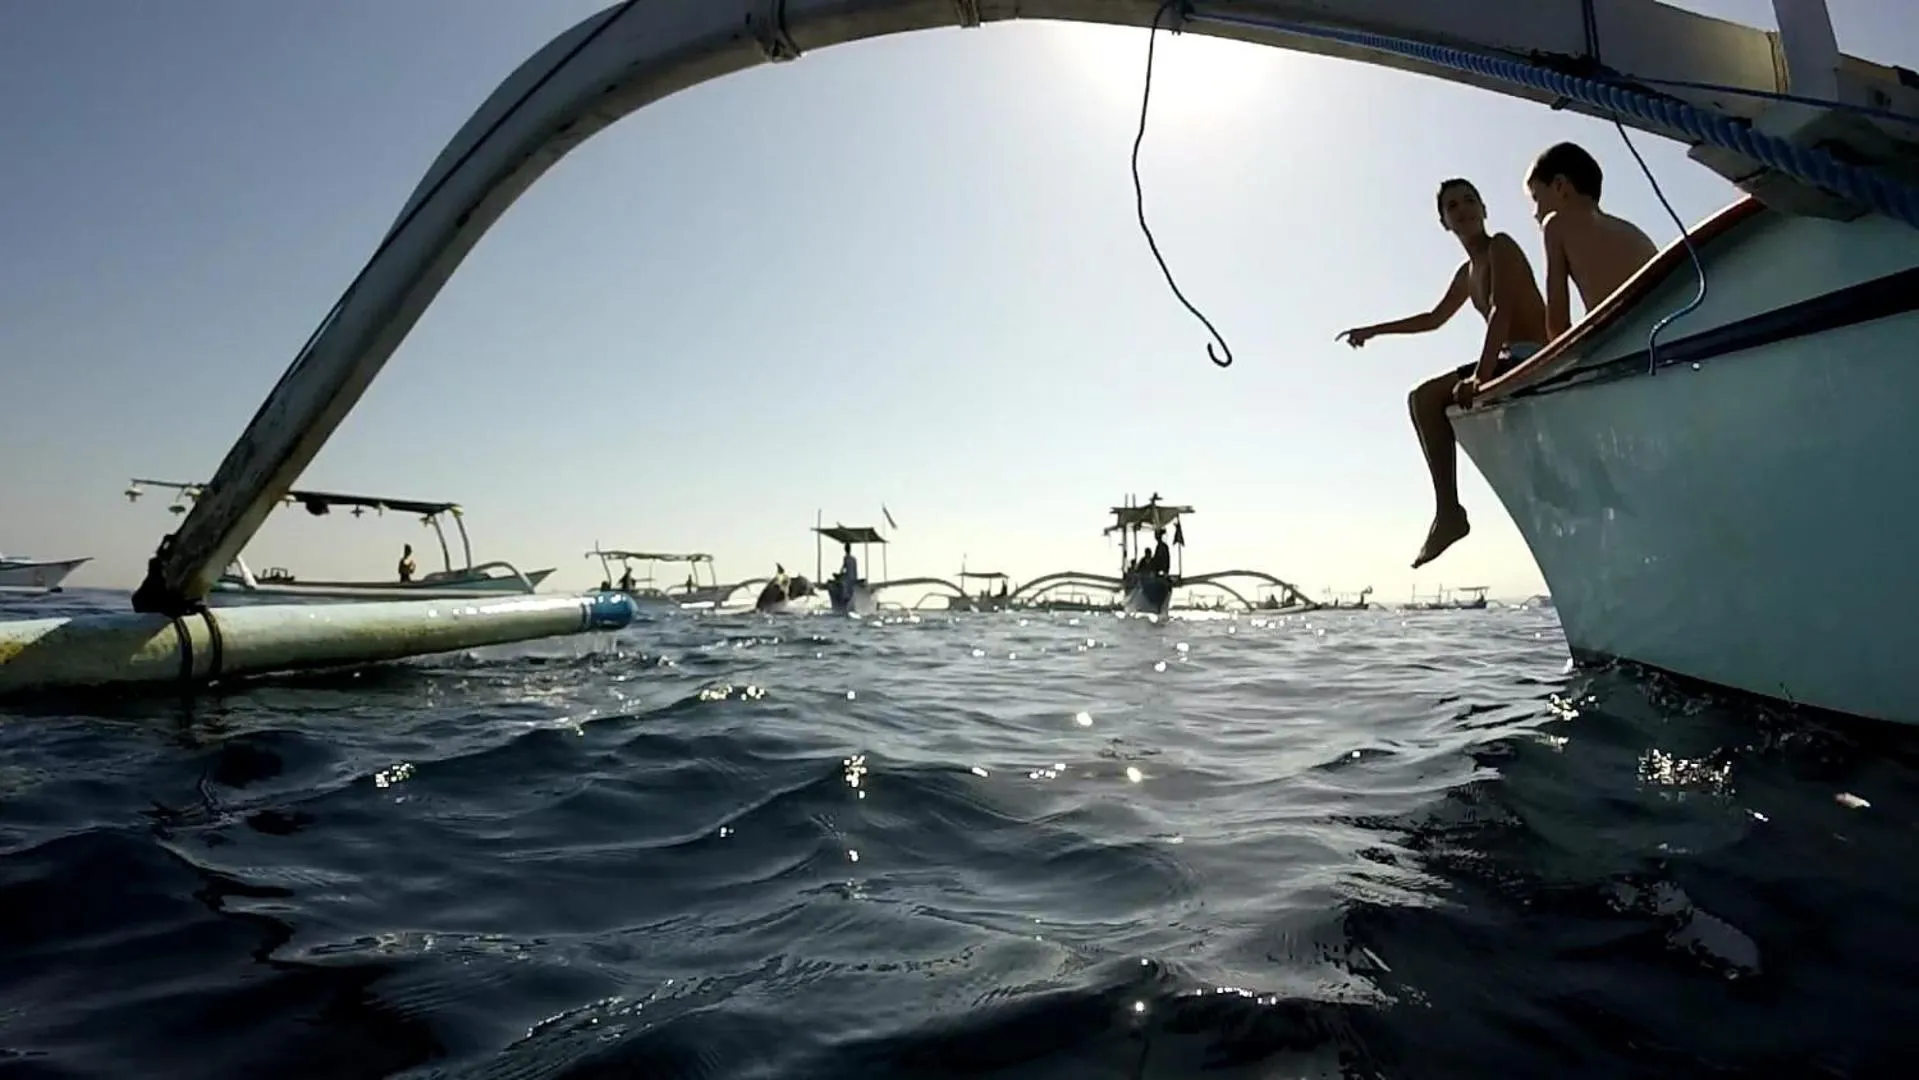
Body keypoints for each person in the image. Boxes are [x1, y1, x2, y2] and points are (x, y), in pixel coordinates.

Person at [1336, 178, 1550, 569]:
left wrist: (1480, 378)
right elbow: (1433, 319)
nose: (1463, 209)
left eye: (1470, 200)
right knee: (1420, 398)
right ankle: (1448, 512)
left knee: (1428, 397)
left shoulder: (1501, 246)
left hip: (1533, 356)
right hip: (1505, 359)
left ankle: (1450, 515)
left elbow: (1502, 311)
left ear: (1485, 209)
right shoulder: (1465, 273)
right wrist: (1374, 330)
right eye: (1452, 206)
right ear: (1443, 222)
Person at [1526, 142, 1660, 338]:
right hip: (1660, 325)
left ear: (1560, 186)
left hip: (1621, 337)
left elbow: (1558, 325)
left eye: (1536, 198)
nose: (1535, 213)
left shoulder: (1556, 224)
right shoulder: (1631, 232)